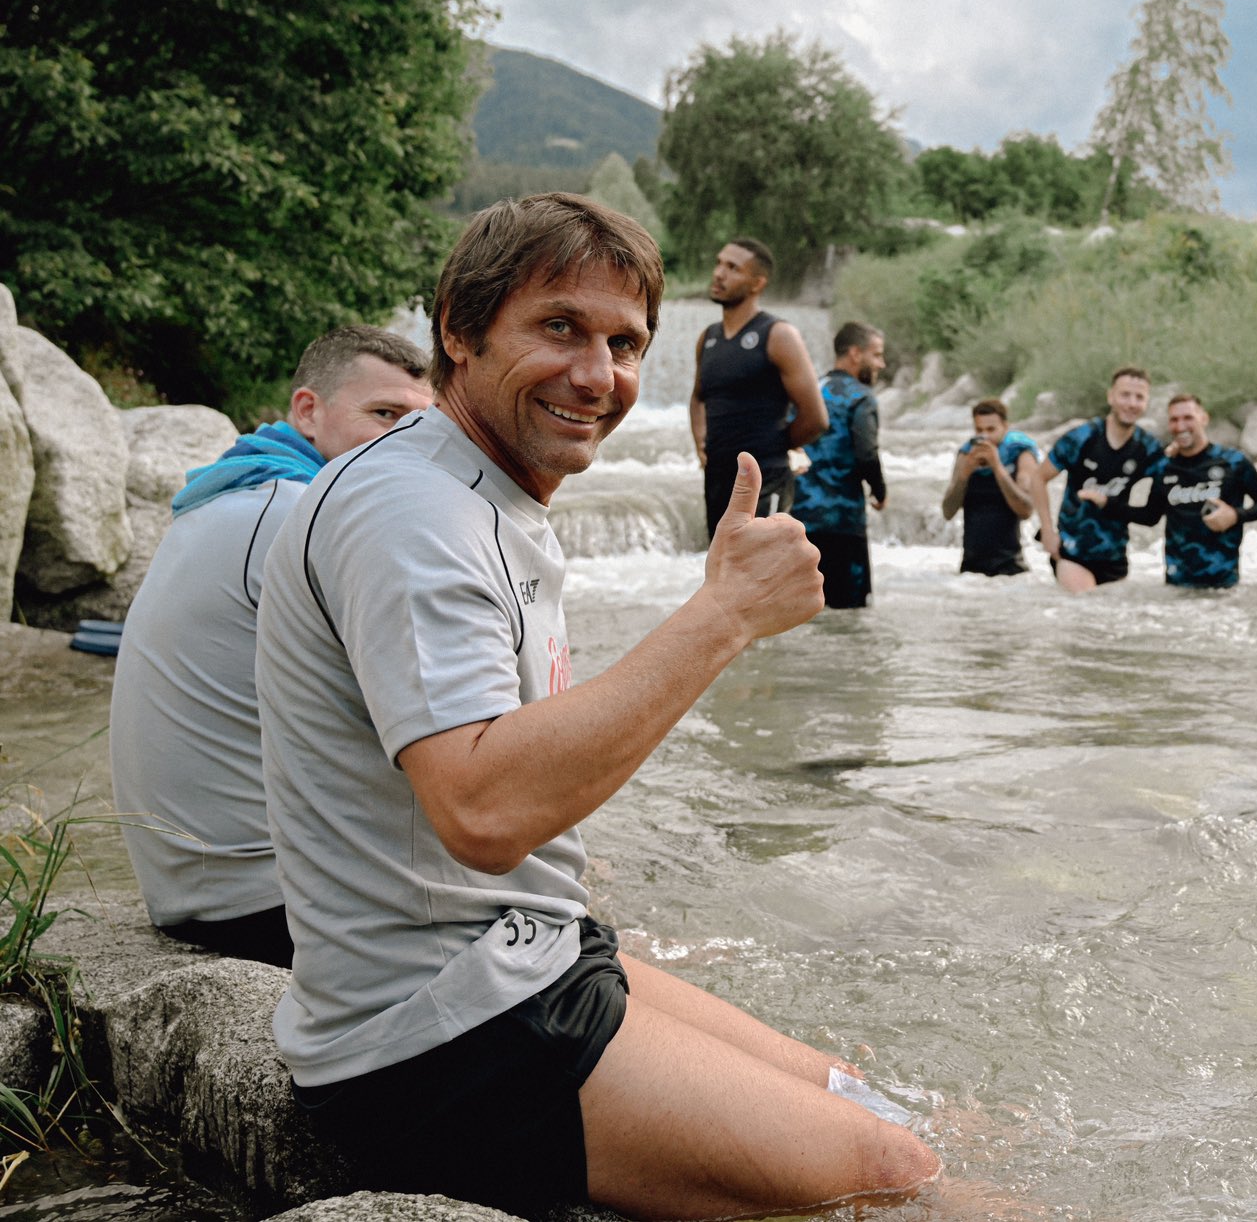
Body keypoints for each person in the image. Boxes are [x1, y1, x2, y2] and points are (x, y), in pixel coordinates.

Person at [254, 194, 938, 1219]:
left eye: (624, 343)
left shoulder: (480, 489)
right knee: (894, 1179)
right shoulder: (413, 510)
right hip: (439, 1039)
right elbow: (481, 808)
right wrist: (721, 618)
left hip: (519, 955)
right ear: (457, 326)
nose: (598, 375)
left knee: (870, 1097)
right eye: (559, 327)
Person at [108, 325, 432, 968]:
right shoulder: (302, 517)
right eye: (384, 414)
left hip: (197, 889)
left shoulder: (237, 492)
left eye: (421, 424)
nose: (405, 442)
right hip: (264, 907)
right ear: (308, 410)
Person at [690, 237, 827, 520]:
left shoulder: (778, 335)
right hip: (717, 476)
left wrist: (773, 446)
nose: (719, 273)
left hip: (766, 477)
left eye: (733, 268)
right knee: (722, 564)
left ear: (757, 284)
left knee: (761, 564)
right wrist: (700, 444)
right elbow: (698, 397)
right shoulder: (708, 337)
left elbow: (816, 418)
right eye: (718, 263)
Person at [1027, 365, 1161, 592]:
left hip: (1115, 554)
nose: (1131, 403)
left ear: (1146, 403)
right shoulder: (1081, 438)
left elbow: (1158, 504)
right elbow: (1039, 478)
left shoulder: (1147, 447)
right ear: (1111, 397)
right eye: (1125, 395)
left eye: (1139, 397)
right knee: (1086, 607)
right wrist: (1048, 531)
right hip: (1072, 551)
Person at [1125, 393, 1257, 588]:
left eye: (1188, 418)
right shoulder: (1163, 467)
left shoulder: (1233, 461)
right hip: (1175, 586)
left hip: (1224, 587)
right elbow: (1150, 516)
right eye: (1174, 420)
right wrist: (1106, 505)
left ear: (1204, 418)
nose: (1180, 426)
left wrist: (1235, 515)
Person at [790, 321, 888, 609]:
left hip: (801, 518)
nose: (881, 363)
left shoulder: (810, 389)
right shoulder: (860, 396)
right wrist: (880, 492)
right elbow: (866, 452)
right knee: (850, 613)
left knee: (807, 610)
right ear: (855, 354)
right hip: (843, 520)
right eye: (877, 354)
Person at [940, 399, 1041, 577]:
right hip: (970, 571)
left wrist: (997, 467)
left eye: (991, 430)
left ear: (1005, 427)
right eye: (979, 430)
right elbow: (948, 512)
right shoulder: (966, 454)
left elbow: (1026, 510)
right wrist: (965, 474)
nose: (985, 436)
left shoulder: (1021, 455)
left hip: (1011, 568)